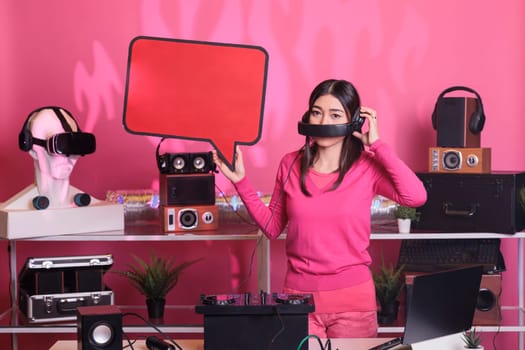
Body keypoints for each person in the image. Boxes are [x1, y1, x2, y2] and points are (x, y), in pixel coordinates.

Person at [213, 79, 427, 338]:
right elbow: (272, 228)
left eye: (335, 114)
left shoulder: (367, 166)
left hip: (353, 304)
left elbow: (415, 196)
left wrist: (378, 146)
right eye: (317, 112)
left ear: (355, 122)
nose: (324, 121)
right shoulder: (290, 163)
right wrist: (241, 183)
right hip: (298, 302)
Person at [16, 106, 96, 209]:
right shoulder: (14, 211)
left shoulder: (94, 206)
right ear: (32, 151)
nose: (68, 157)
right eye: (60, 145)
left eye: (74, 147)